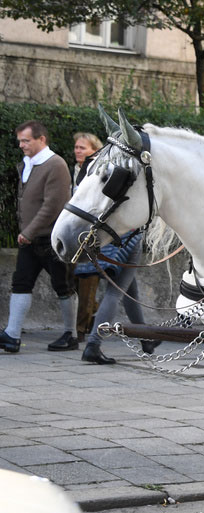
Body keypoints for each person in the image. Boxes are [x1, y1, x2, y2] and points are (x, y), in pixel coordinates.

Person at [1, 121, 77, 353]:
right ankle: (11, 335)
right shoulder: (29, 163)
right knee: (21, 283)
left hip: (52, 239)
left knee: (63, 286)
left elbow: (52, 206)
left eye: (26, 140)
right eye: (20, 141)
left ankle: (70, 334)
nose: (21, 145)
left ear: (41, 139)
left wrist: (28, 232)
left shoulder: (55, 164)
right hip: (31, 239)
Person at [79, 230, 156, 364]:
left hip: (104, 239)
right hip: (127, 239)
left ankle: (146, 339)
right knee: (115, 293)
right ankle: (93, 344)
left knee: (130, 291)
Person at [71, 132, 104, 339]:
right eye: (76, 147)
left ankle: (82, 329)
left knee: (87, 278)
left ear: (95, 150)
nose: (77, 151)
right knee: (79, 280)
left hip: (93, 234)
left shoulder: (98, 171)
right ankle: (92, 318)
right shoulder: (73, 170)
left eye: (82, 147)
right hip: (75, 232)